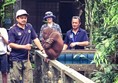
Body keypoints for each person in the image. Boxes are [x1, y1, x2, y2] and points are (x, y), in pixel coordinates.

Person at [8, 9, 45, 83]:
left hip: (26, 58)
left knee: (29, 80)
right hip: (16, 59)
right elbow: (10, 44)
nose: (24, 19)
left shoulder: (29, 27)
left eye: (25, 18)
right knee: (15, 80)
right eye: (21, 18)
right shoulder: (13, 30)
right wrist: (24, 47)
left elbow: (35, 38)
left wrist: (42, 50)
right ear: (17, 19)